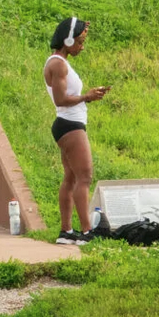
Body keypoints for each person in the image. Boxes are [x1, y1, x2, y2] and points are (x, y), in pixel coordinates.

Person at [45, 16, 110, 245]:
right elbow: (61, 99)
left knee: (71, 178)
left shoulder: (60, 62)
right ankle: (85, 231)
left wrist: (87, 99)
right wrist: (87, 96)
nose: (82, 47)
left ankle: (66, 232)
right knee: (85, 177)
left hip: (68, 124)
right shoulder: (58, 64)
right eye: (80, 42)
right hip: (70, 125)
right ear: (68, 39)